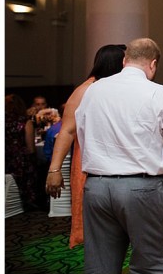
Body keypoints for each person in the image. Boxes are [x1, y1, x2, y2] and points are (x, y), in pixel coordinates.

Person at [77, 38, 163, 274]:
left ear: (124, 60)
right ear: (153, 64)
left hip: (96, 187)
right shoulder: (157, 92)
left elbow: (82, 131)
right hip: (142, 188)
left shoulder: (93, 91)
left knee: (99, 267)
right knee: (149, 266)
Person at [45, 43, 127, 249]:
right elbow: (67, 131)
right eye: (126, 62)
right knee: (98, 229)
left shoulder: (120, 88)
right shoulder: (85, 90)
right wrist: (54, 169)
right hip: (91, 164)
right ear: (115, 64)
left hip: (121, 165)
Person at [6, 94, 40, 211]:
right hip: (21, 160)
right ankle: (31, 201)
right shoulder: (25, 122)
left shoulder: (3, 121)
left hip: (7, 159)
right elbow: (30, 147)